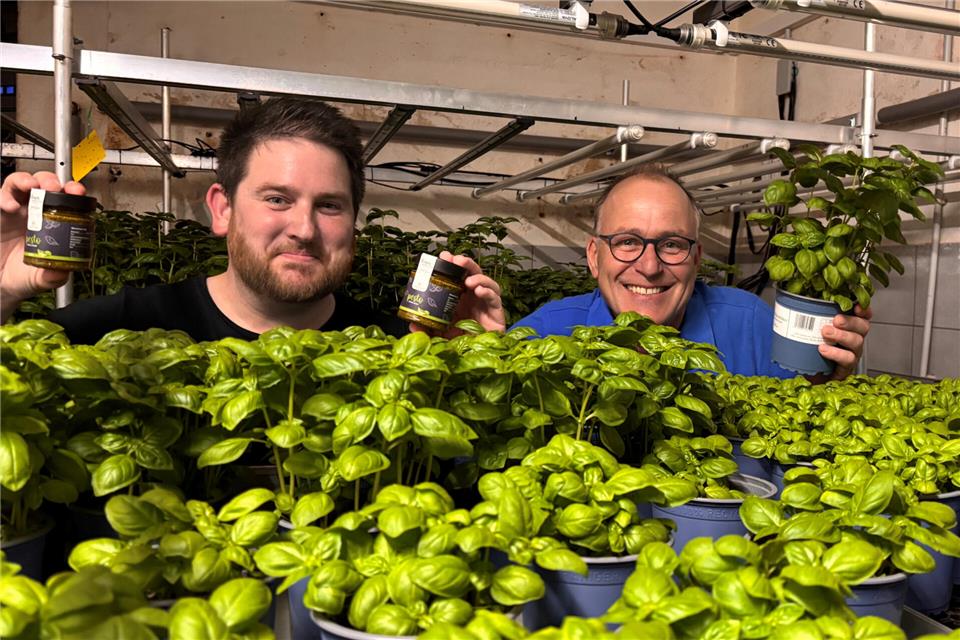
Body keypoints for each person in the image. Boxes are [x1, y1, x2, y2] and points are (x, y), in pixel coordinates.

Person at [0, 97, 506, 343]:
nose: (304, 229)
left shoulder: (392, 346)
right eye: (277, 199)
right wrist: (1, 292)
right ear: (221, 208)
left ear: (354, 221)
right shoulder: (125, 328)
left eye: (329, 205)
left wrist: (470, 364)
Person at [512, 164, 871, 381]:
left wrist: (828, 377)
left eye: (671, 245)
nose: (649, 267)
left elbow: (803, 423)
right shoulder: (542, 335)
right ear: (594, 256)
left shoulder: (750, 324)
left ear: (696, 257)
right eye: (626, 242)